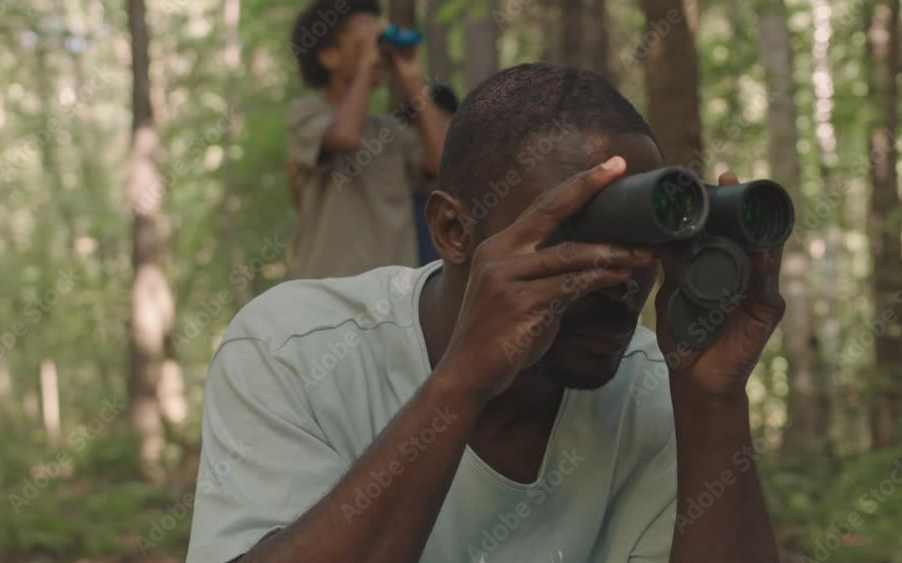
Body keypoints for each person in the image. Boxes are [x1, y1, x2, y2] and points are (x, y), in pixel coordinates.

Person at [186, 64, 785, 563]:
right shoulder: (296, 347)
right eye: (577, 234)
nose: (622, 276)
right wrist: (461, 382)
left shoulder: (654, 390)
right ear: (453, 230)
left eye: (643, 238)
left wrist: (712, 401)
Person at [286, 0, 449, 278]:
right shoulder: (306, 114)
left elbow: (447, 161)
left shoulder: (390, 131)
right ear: (329, 56)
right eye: (363, 37)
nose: (377, 50)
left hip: (392, 296)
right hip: (327, 293)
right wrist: (366, 63)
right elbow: (345, 136)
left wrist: (412, 81)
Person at [408, 84, 459, 265]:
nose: (432, 137)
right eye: (422, 129)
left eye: (440, 123)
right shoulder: (401, 200)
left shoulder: (474, 200)